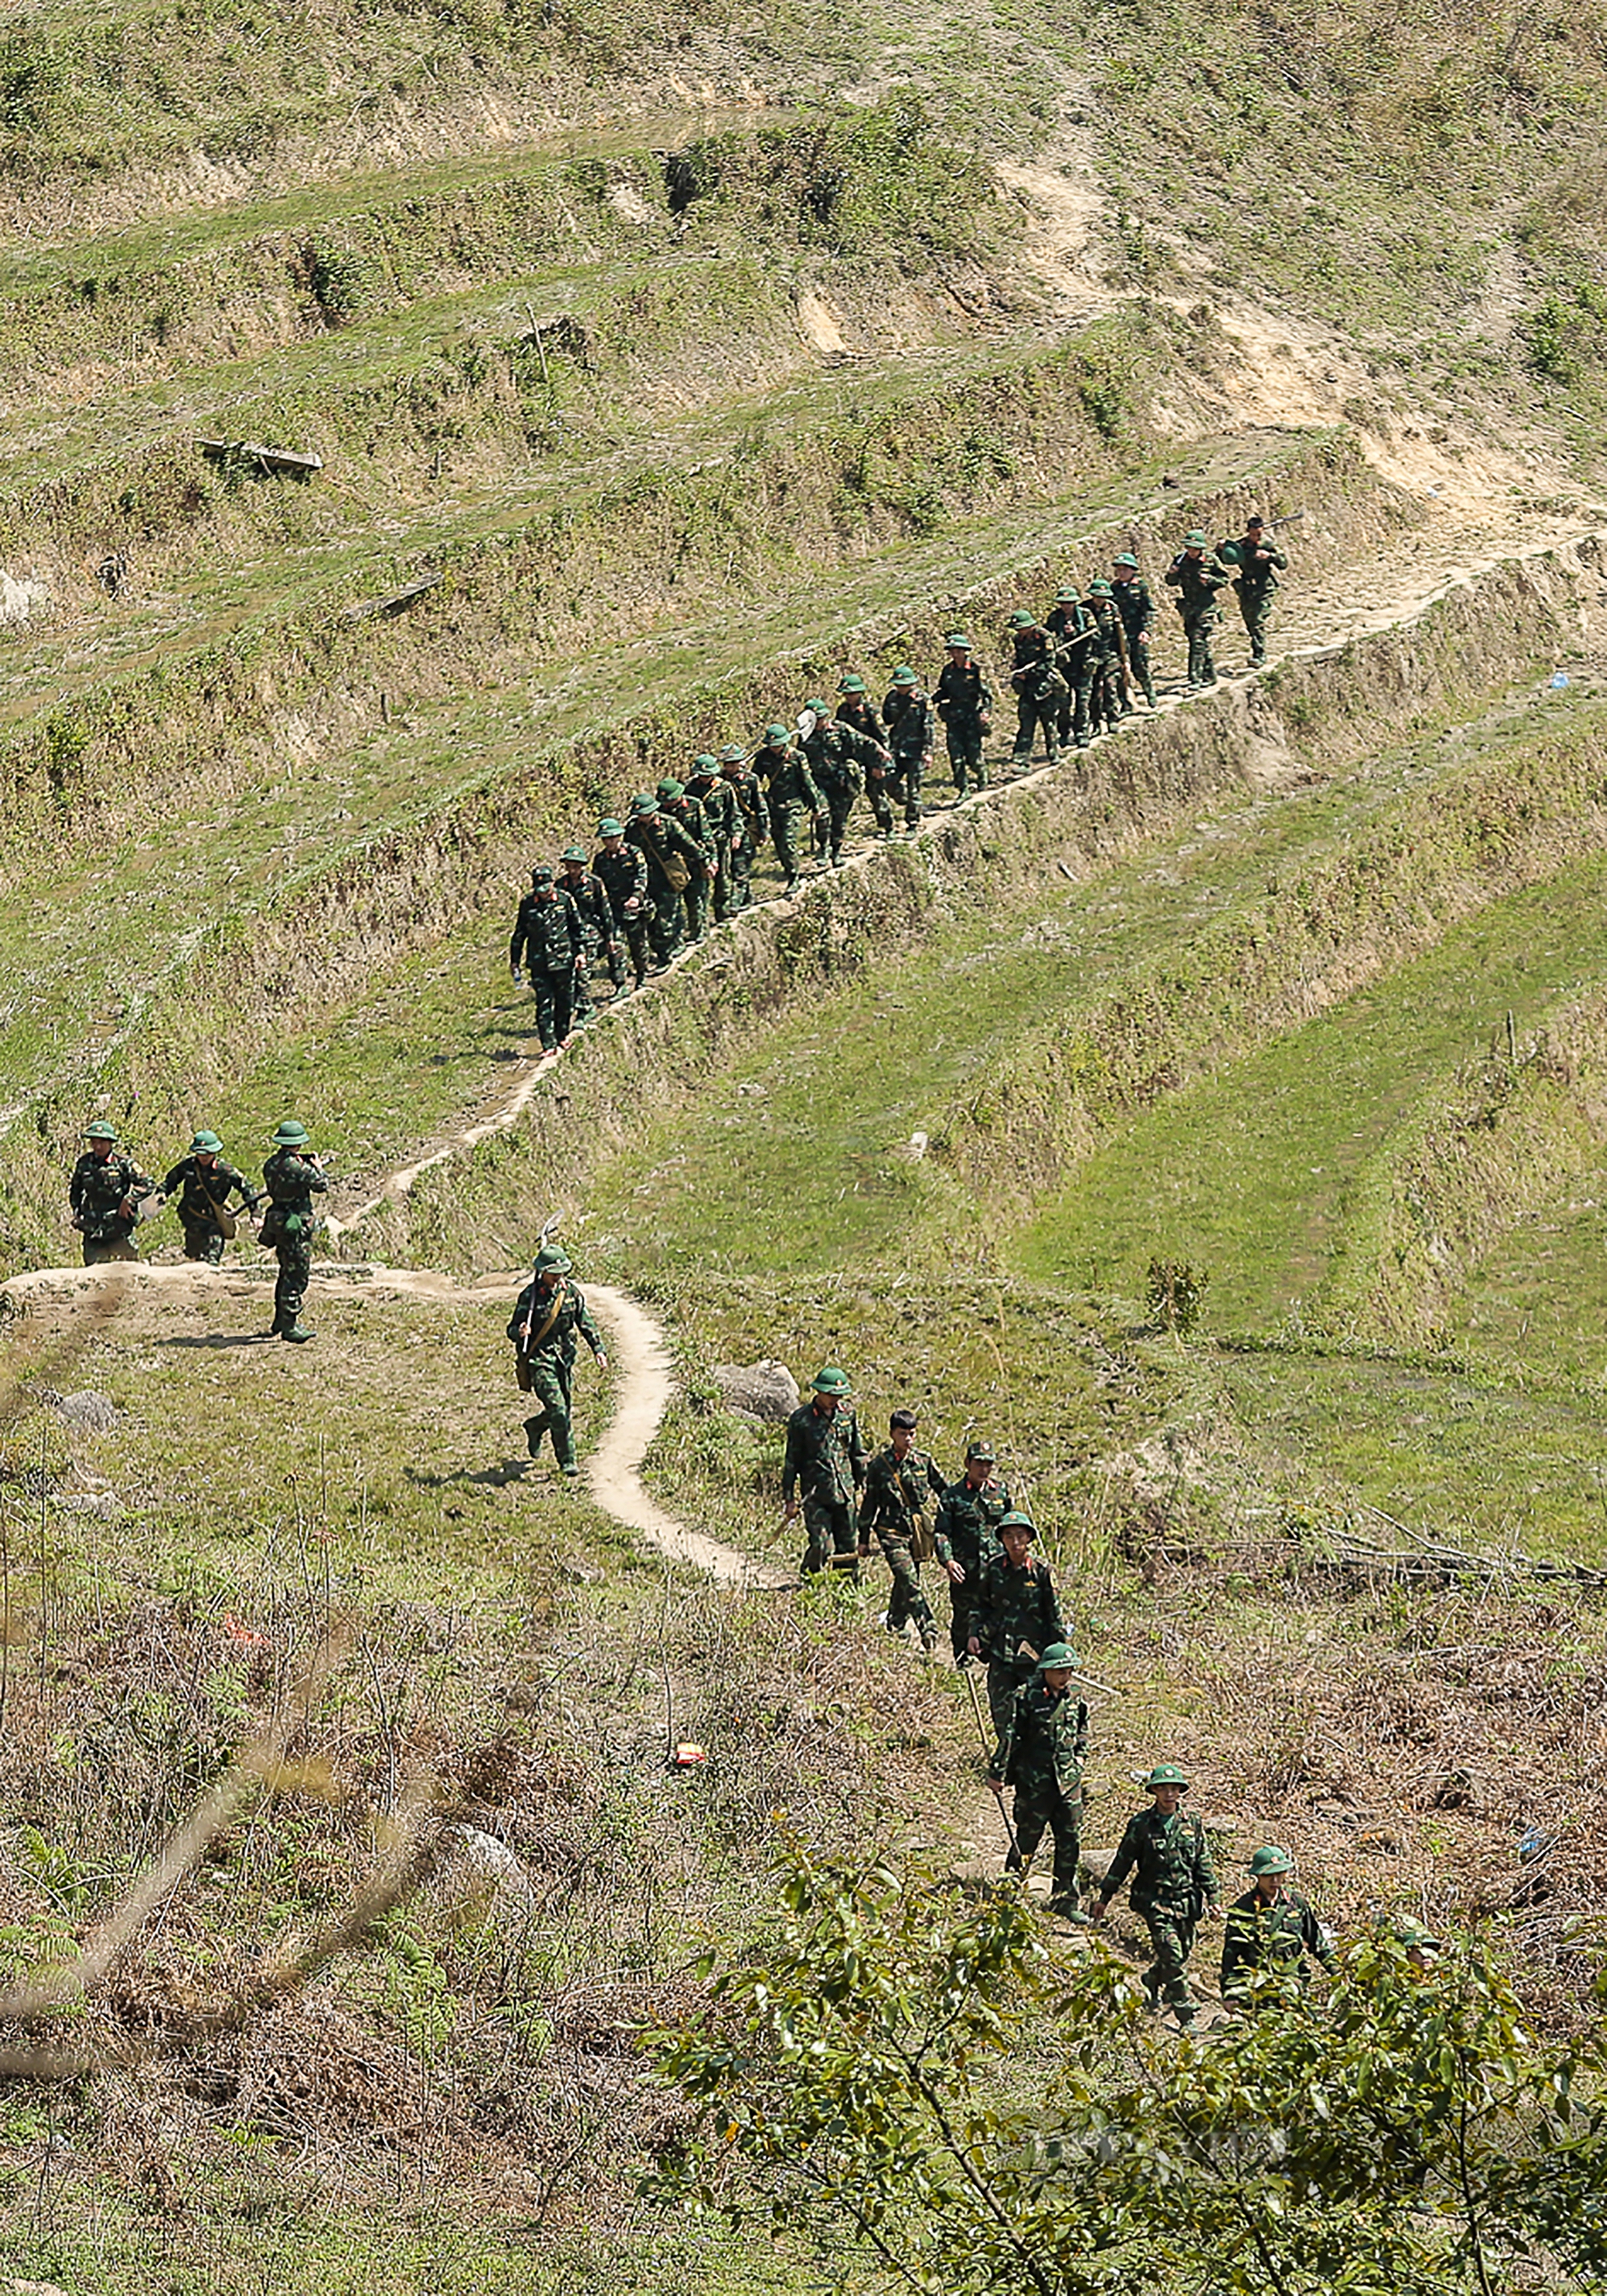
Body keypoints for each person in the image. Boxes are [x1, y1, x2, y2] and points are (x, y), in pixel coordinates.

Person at [1090, 1763, 1222, 2026]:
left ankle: (1151, 1979)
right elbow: (1123, 1861)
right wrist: (1104, 1898)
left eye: (1174, 1789)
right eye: (1163, 1788)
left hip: (1186, 1902)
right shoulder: (1141, 1824)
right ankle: (1186, 2015)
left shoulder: (1192, 1823)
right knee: (1172, 1956)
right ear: (1154, 1791)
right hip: (1155, 1902)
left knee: (1179, 1955)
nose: (1169, 1794)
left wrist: (1214, 1898)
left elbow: (1202, 1862)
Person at [988, 1642, 1089, 1917]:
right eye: (1059, 1671)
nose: (1065, 1676)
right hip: (1035, 1783)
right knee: (1027, 1839)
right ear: (1045, 1671)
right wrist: (998, 1773)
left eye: (1069, 1671)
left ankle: (1066, 1901)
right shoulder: (1025, 1697)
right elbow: (1010, 1737)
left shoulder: (1076, 1696)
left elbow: (1082, 1729)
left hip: (1068, 1783)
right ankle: (1008, 1895)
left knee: (1070, 1840)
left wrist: (1080, 1758)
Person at [507, 1244, 609, 1481]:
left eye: (561, 1273)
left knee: (562, 1410)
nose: (558, 1278)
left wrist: (598, 1349)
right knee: (558, 1408)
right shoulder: (529, 1297)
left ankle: (535, 1426)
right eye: (554, 1273)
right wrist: (520, 1331)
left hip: (564, 1359)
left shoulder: (571, 1293)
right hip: (539, 1360)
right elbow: (511, 1328)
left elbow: (586, 1322)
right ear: (543, 1272)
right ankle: (568, 1461)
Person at [970, 1510, 1067, 1739]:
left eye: (1020, 1536)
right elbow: (980, 1606)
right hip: (1001, 1654)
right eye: (1009, 1536)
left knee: (1037, 1715)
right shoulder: (993, 1570)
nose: (1015, 1542)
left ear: (1029, 1538)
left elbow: (1054, 1616)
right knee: (1002, 1714)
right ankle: (1006, 1762)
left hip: (1033, 1656)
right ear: (1002, 1539)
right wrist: (974, 1634)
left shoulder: (1042, 1572)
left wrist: (1060, 1658)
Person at [856, 1407, 947, 1649]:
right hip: (890, 1531)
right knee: (908, 1578)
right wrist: (863, 1539)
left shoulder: (923, 1462)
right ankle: (928, 1627)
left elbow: (945, 1492)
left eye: (912, 1434)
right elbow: (870, 1504)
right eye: (902, 1433)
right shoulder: (878, 1466)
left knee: (905, 1580)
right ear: (892, 1434)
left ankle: (895, 1625)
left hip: (916, 1531)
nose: (908, 1439)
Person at [1220, 1845, 1335, 2009]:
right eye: (1269, 1876)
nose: (1275, 1881)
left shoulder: (1296, 1903)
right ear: (1258, 1876)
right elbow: (1230, 1956)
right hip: (1258, 1986)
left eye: (1279, 1874)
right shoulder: (1243, 1909)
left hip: (1292, 1985)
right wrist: (1229, 1993)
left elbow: (1317, 1941)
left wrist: (1337, 1972)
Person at [782, 1366, 867, 1579]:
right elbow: (792, 1461)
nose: (834, 1399)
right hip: (816, 1495)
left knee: (848, 1548)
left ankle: (846, 1591)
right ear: (818, 1391)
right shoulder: (801, 1420)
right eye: (830, 1394)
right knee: (821, 1545)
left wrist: (864, 1485)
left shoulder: (848, 1414)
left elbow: (857, 1452)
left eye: (838, 1395)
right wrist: (789, 1499)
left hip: (845, 1493)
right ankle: (810, 1580)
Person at [934, 1439, 1012, 1663]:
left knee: (997, 1613)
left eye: (988, 1464)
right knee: (963, 1617)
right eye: (979, 1463)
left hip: (996, 1568)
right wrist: (948, 1562)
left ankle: (994, 1658)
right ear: (967, 1463)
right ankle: (962, 1661)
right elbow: (941, 1533)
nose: (984, 1469)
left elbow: (1011, 1527)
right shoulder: (952, 1496)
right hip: (965, 1569)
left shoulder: (1001, 1493)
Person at [259, 1118, 327, 1342]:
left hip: (278, 1221)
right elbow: (320, 1185)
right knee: (296, 1276)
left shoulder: (270, 1164)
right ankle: (290, 1326)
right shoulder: (298, 1167)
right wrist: (318, 1168)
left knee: (284, 1270)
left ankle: (280, 1320)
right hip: (295, 1224)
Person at [509, 863, 585, 1053]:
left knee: (565, 1002)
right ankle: (548, 1044)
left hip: (563, 960)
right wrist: (515, 960)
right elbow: (520, 933)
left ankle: (562, 1036)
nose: (543, 893)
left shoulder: (565, 899)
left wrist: (581, 952)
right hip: (539, 962)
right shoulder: (527, 904)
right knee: (543, 1004)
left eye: (546, 888)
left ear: (553, 883)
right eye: (539, 890)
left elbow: (577, 928)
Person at [625, 791, 706, 964]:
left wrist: (706, 860)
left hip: (668, 875)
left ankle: (667, 951)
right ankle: (674, 942)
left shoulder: (669, 824)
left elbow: (688, 844)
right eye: (639, 815)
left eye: (645, 815)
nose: (642, 818)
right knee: (655, 916)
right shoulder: (632, 829)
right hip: (646, 878)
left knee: (667, 914)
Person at [803, 700, 884, 866]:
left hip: (841, 782)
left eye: (820, 718)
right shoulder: (805, 735)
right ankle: (823, 849)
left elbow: (865, 742)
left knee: (840, 819)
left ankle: (836, 851)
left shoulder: (841, 729)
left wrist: (880, 754)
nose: (818, 722)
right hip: (819, 782)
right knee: (822, 814)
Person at [160, 1130, 260, 1264]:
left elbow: (247, 1187)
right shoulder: (188, 1167)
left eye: (208, 1153)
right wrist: (161, 1196)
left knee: (214, 1245)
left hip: (214, 1216)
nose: (204, 1157)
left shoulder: (225, 1170)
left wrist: (256, 1212)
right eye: (201, 1153)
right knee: (193, 1252)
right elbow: (169, 1182)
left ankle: (211, 1269)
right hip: (191, 1215)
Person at [68, 1121, 155, 1266]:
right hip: (94, 1228)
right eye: (94, 1142)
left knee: (129, 1272)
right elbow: (75, 1190)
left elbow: (148, 1184)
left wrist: (130, 1199)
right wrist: (77, 1211)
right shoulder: (84, 1164)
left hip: (119, 1227)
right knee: (94, 1274)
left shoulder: (124, 1163)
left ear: (110, 1142)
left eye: (102, 1142)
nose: (98, 1147)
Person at [753, 723, 826, 894]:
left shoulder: (797, 757)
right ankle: (788, 870)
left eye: (777, 745)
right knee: (779, 843)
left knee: (789, 841)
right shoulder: (763, 757)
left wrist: (816, 806)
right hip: (774, 805)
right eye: (771, 746)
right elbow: (755, 779)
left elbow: (807, 782)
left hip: (793, 805)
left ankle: (794, 877)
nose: (774, 749)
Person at [558, 844, 622, 1021]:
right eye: (569, 866)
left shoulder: (594, 883)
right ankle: (576, 1006)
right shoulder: (560, 886)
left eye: (576, 866)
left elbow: (605, 910)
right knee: (570, 973)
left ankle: (586, 1009)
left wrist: (609, 937)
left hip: (590, 932)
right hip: (569, 935)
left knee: (583, 971)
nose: (572, 870)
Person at [1164, 529, 1232, 690]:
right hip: (1189, 607)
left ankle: (1195, 678)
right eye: (1189, 547)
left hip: (1206, 607)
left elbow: (1224, 580)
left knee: (1198, 641)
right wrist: (1172, 574)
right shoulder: (1180, 560)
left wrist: (1210, 580)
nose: (1191, 551)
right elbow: (1171, 582)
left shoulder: (1210, 560)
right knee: (1197, 642)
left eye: (1195, 548)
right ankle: (1209, 675)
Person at [592, 819, 652, 993]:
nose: (609, 842)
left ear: (620, 836)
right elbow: (598, 885)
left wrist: (636, 898)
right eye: (605, 839)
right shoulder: (600, 860)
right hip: (612, 909)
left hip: (633, 907)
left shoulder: (634, 853)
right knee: (615, 945)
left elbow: (642, 877)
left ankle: (642, 975)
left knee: (638, 943)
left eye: (612, 838)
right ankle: (620, 984)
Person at [1220, 513, 1288, 666]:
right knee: (1249, 621)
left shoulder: (1268, 544)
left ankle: (1259, 654)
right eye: (1253, 534)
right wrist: (1222, 546)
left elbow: (1283, 563)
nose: (1256, 537)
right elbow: (1224, 558)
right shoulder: (1241, 546)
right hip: (1247, 588)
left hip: (1264, 587)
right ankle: (1257, 647)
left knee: (1257, 620)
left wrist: (1270, 556)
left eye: (1259, 534)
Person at [933, 633, 993, 794]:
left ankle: (982, 776)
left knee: (973, 757)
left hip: (971, 716)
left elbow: (987, 694)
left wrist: (986, 713)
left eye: (959, 650)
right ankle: (963, 789)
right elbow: (943, 691)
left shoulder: (975, 669)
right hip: (954, 717)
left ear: (966, 651)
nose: (955, 654)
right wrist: (931, 701)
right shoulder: (948, 670)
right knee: (956, 756)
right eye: (952, 651)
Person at [657, 778, 715, 942]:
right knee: (674, 900)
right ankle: (678, 935)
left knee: (697, 896)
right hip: (674, 862)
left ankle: (699, 931)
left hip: (695, 858)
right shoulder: (661, 811)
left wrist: (711, 859)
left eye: (670, 800)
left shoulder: (694, 805)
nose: (667, 804)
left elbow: (706, 834)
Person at [1007, 611, 1066, 770]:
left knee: (1048, 721)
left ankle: (1053, 753)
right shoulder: (1018, 640)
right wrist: (1016, 668)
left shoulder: (1045, 637)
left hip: (1044, 684)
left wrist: (1029, 674)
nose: (1020, 632)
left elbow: (1048, 662)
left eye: (1022, 628)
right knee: (1026, 722)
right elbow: (1020, 658)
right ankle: (1021, 759)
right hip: (1026, 688)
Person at [880, 668, 933, 832]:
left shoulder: (922, 699)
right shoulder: (892, 697)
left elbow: (928, 726)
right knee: (889, 781)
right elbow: (886, 719)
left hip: (916, 749)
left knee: (914, 787)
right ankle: (906, 801)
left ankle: (913, 823)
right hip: (897, 747)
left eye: (904, 685)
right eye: (898, 685)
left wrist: (928, 751)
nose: (901, 688)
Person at [688, 754, 739, 923]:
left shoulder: (724, 788)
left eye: (707, 775)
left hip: (720, 836)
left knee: (723, 876)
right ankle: (700, 921)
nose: (704, 779)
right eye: (701, 775)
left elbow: (733, 814)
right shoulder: (690, 789)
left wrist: (736, 834)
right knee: (700, 881)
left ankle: (722, 911)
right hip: (699, 840)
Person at [1045, 586, 1098, 751]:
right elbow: (1046, 634)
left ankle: (1082, 732)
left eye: (1069, 603)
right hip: (1064, 665)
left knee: (1082, 702)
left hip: (1082, 663)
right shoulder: (1055, 617)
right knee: (1064, 702)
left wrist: (1076, 631)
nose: (1066, 606)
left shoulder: (1086, 615)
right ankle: (1064, 733)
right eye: (1063, 603)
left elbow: (1096, 634)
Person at [720, 745, 770, 910]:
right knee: (733, 866)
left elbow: (760, 806)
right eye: (727, 764)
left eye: (733, 763)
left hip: (748, 829)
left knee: (740, 866)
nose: (730, 767)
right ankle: (748, 897)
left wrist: (764, 830)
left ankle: (735, 903)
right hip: (727, 829)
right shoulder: (719, 781)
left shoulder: (751, 779)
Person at [1110, 553, 1157, 708]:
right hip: (1119, 635)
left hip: (1137, 632)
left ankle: (1150, 693)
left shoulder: (1140, 587)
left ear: (1132, 570)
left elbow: (1149, 610)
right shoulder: (1114, 588)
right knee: (1120, 669)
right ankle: (1126, 703)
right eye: (1119, 570)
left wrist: (1146, 630)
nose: (1121, 573)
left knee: (1140, 666)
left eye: (1124, 569)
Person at [1083, 581, 1130, 737]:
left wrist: (1124, 657)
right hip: (1091, 655)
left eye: (1103, 597)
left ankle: (1112, 718)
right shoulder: (1083, 610)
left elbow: (1120, 633)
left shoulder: (1112, 609)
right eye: (1097, 596)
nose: (1100, 600)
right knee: (1095, 691)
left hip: (1110, 653)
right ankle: (1095, 722)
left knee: (1110, 685)